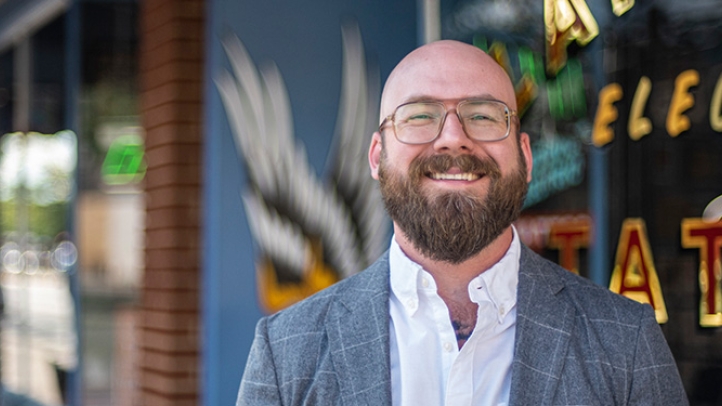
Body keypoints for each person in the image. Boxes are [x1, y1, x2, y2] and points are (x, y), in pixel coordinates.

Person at [236, 40, 688, 405]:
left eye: (484, 116)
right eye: (419, 116)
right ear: (377, 156)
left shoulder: (625, 343)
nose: (453, 137)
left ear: (526, 157)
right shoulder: (286, 352)